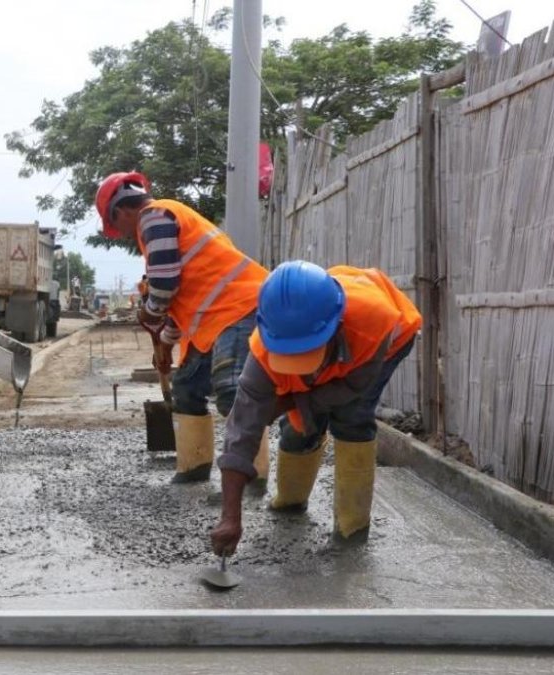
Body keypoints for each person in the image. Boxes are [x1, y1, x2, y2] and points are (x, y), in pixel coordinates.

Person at [211, 261, 422, 555]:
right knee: (300, 423)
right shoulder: (262, 353)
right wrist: (230, 518)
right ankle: (291, 500)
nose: (304, 371)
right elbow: (240, 434)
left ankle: (352, 528)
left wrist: (295, 401)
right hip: (335, 337)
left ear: (336, 329)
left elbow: (351, 388)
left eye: (308, 355)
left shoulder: (374, 322)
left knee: (352, 418)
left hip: (384, 344)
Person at [96, 172, 271, 484]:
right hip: (215, 319)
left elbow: (164, 284)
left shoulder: (154, 216)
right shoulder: (170, 220)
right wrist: (164, 340)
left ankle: (249, 478)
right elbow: (183, 297)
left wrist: (150, 313)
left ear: (120, 212)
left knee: (232, 391)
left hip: (239, 309)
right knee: (187, 388)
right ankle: (194, 466)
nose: (121, 235)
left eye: (116, 227)